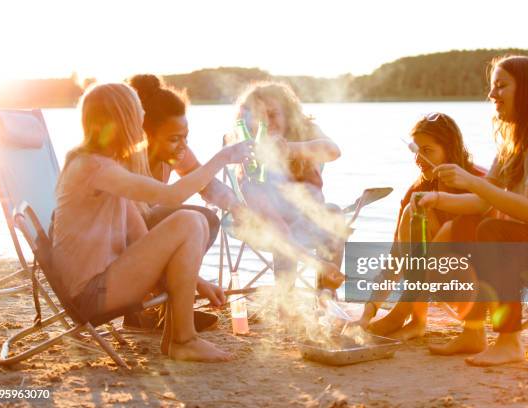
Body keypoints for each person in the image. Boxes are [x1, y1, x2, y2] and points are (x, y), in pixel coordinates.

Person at [52, 83, 252, 362]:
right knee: (190, 220)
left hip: (102, 284)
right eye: (138, 113)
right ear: (122, 121)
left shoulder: (106, 167)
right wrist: (223, 157)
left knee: (192, 221)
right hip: (90, 294)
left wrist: (196, 281)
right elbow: (173, 195)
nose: (143, 120)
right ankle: (183, 339)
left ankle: (179, 335)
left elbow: (140, 235)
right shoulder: (94, 168)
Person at [418, 55, 528, 366]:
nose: (492, 95)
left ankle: (509, 340)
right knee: (466, 225)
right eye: (491, 87)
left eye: (501, 86)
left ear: (526, 90)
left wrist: (472, 181)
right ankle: (473, 332)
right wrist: (437, 200)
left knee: (493, 231)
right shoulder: (512, 141)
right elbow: (482, 202)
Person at [122, 74, 245, 331]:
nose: (183, 146)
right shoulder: (125, 161)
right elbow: (136, 235)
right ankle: (151, 308)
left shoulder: (172, 148)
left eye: (185, 137)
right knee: (195, 219)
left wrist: (237, 206)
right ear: (146, 134)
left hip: (145, 242)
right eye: (175, 138)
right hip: (122, 248)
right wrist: (196, 281)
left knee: (207, 219)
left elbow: (204, 183)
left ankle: (164, 307)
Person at [356, 113, 484, 339]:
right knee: (413, 209)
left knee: (436, 222)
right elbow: (396, 260)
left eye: (428, 151)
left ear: (450, 149)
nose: (419, 159)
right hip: (439, 277)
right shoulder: (417, 190)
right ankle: (416, 320)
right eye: (417, 151)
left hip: (481, 281)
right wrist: (369, 310)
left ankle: (402, 313)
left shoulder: (477, 181)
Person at [228, 81, 345, 292]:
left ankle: (326, 294)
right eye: (258, 117)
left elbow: (333, 151)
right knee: (284, 229)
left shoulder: (305, 131)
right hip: (264, 223)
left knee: (334, 213)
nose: (266, 123)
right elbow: (271, 220)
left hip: (307, 217)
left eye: (272, 115)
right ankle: (287, 302)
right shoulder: (250, 153)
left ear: (288, 114)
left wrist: (289, 149)